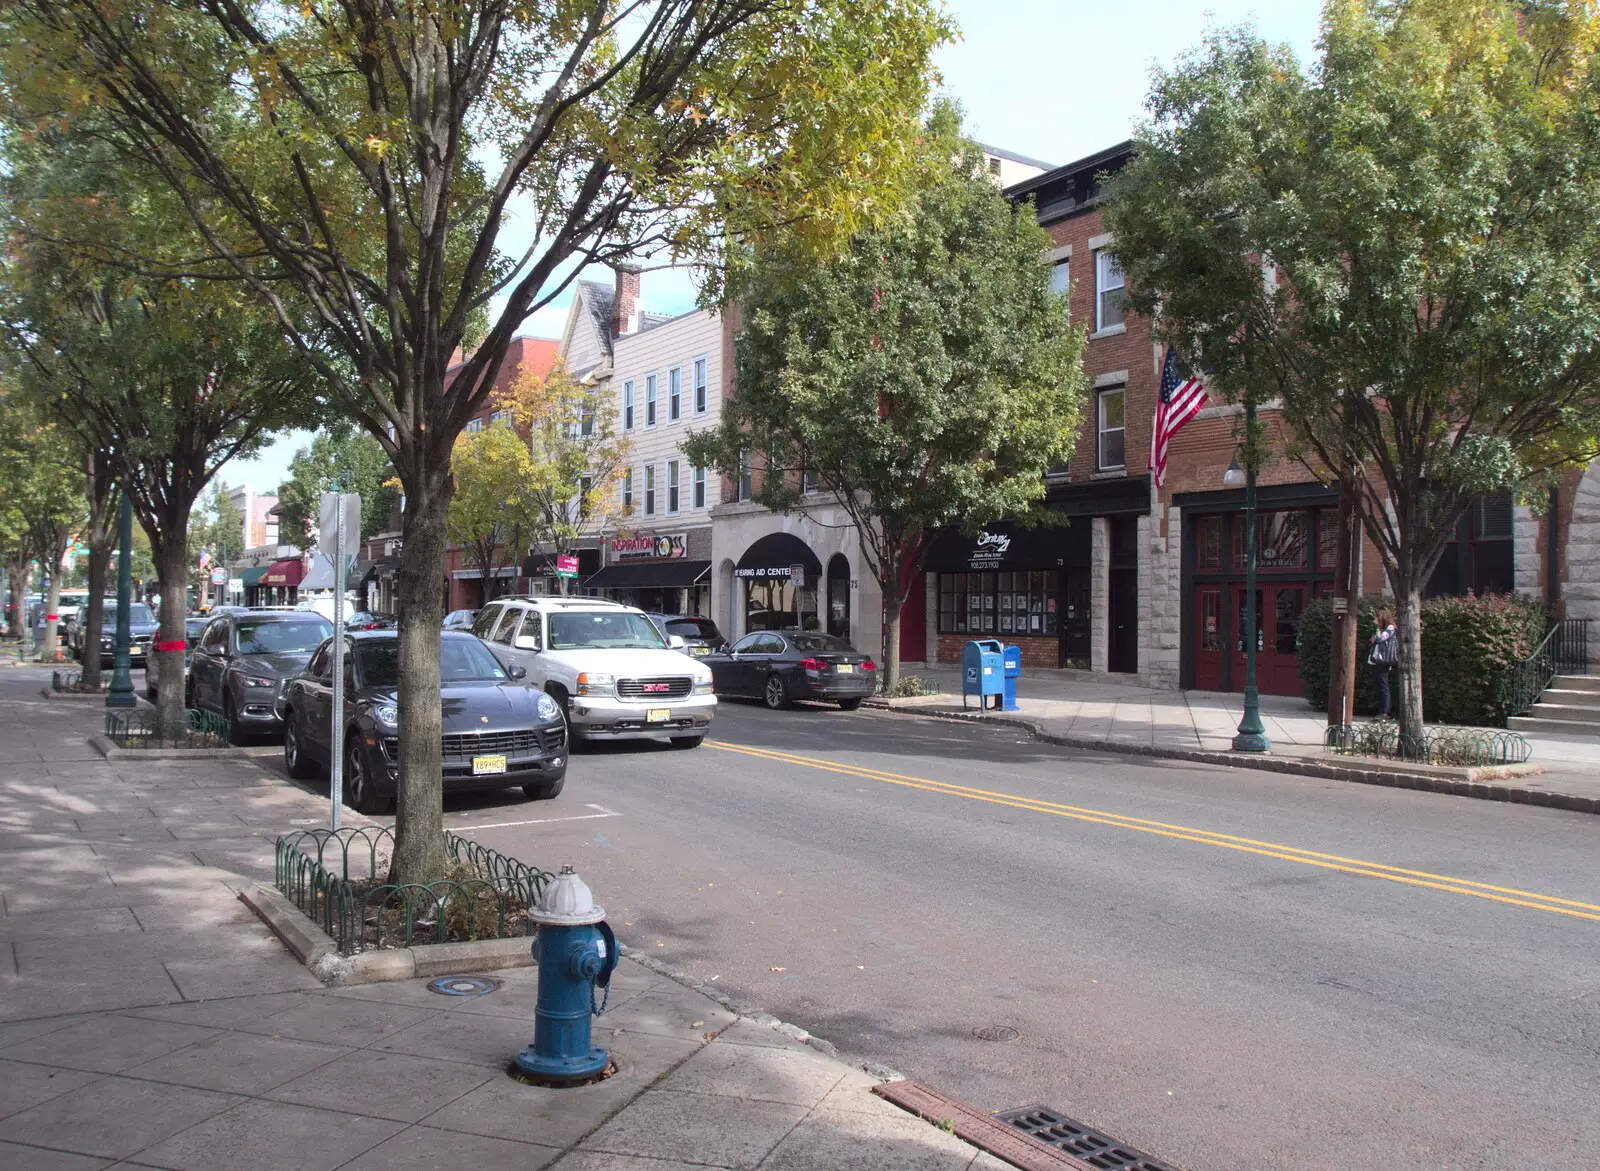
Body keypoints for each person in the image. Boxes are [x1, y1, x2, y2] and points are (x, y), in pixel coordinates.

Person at [1368, 606, 1398, 718]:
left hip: (1382, 661)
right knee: (1379, 686)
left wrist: (1376, 635)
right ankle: (1381, 710)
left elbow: (1380, 639)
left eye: (1376, 617)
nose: (1375, 620)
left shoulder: (1390, 628)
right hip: (1375, 661)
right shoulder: (1381, 629)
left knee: (1383, 685)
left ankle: (1385, 711)